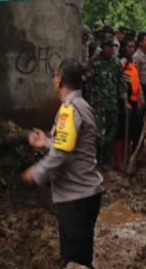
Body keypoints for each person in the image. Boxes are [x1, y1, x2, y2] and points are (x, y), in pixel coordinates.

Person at [21, 58, 103, 269]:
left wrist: (37, 173)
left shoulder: (69, 109)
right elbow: (68, 144)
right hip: (83, 194)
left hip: (77, 196)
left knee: (76, 262)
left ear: (58, 80)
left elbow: (62, 153)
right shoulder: (80, 105)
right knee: (79, 258)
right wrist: (46, 142)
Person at [87, 35, 124, 165]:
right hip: (98, 106)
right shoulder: (94, 63)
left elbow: (121, 83)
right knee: (98, 136)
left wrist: (125, 100)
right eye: (107, 47)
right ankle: (97, 163)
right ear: (102, 47)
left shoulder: (117, 63)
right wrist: (90, 104)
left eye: (111, 47)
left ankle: (107, 163)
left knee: (111, 134)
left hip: (113, 104)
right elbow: (88, 85)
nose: (110, 49)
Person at [116, 37, 142, 167]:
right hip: (124, 102)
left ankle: (128, 158)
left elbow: (137, 82)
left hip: (134, 101)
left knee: (131, 131)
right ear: (124, 48)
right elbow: (121, 84)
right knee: (122, 131)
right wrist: (125, 101)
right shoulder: (122, 63)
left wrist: (139, 100)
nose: (132, 49)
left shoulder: (132, 63)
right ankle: (120, 161)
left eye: (133, 47)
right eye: (129, 47)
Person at [132, 29, 146, 110]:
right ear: (140, 42)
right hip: (142, 87)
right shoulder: (136, 56)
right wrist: (140, 95)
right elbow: (136, 76)